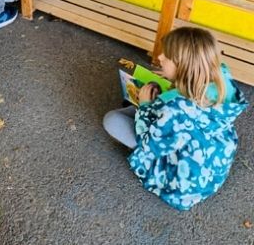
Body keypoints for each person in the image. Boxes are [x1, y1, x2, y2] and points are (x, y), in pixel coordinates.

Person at [103, 27, 249, 210]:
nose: (160, 57)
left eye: (167, 56)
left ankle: (142, 107)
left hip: (182, 185)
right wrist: (176, 78)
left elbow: (149, 143)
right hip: (210, 167)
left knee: (112, 119)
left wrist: (146, 105)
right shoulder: (220, 80)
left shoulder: (176, 109)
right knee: (147, 108)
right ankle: (146, 106)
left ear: (183, 65)